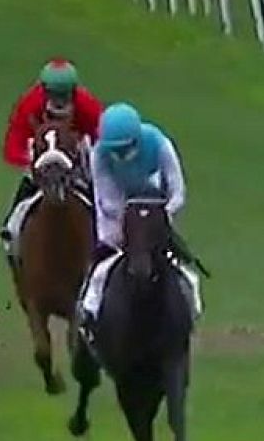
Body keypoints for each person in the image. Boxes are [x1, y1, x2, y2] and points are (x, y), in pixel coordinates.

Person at [76, 103, 198, 329]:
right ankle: (89, 310)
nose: (120, 155)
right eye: (115, 150)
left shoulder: (159, 144)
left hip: (158, 211)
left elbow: (177, 190)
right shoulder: (99, 154)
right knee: (102, 266)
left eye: (125, 148)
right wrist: (127, 222)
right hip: (117, 215)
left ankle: (190, 309)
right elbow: (105, 197)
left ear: (137, 139)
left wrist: (161, 216)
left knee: (181, 268)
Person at [0, 58, 105, 262]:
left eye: (64, 96)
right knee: (28, 184)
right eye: (54, 95)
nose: (59, 101)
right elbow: (14, 142)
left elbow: (102, 135)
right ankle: (11, 227)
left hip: (76, 153)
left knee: (94, 186)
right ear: (44, 91)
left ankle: (103, 231)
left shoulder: (87, 104)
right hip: (41, 153)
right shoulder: (29, 103)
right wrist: (30, 157)